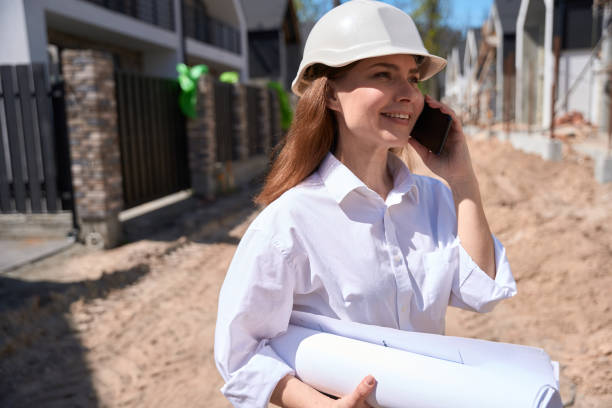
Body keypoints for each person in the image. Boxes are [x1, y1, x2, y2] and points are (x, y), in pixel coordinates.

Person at [214, 1, 517, 407]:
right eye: (382, 75)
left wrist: (462, 179)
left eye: (412, 77)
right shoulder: (288, 224)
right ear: (332, 96)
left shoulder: (436, 199)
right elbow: (241, 355)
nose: (408, 93)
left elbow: (482, 293)